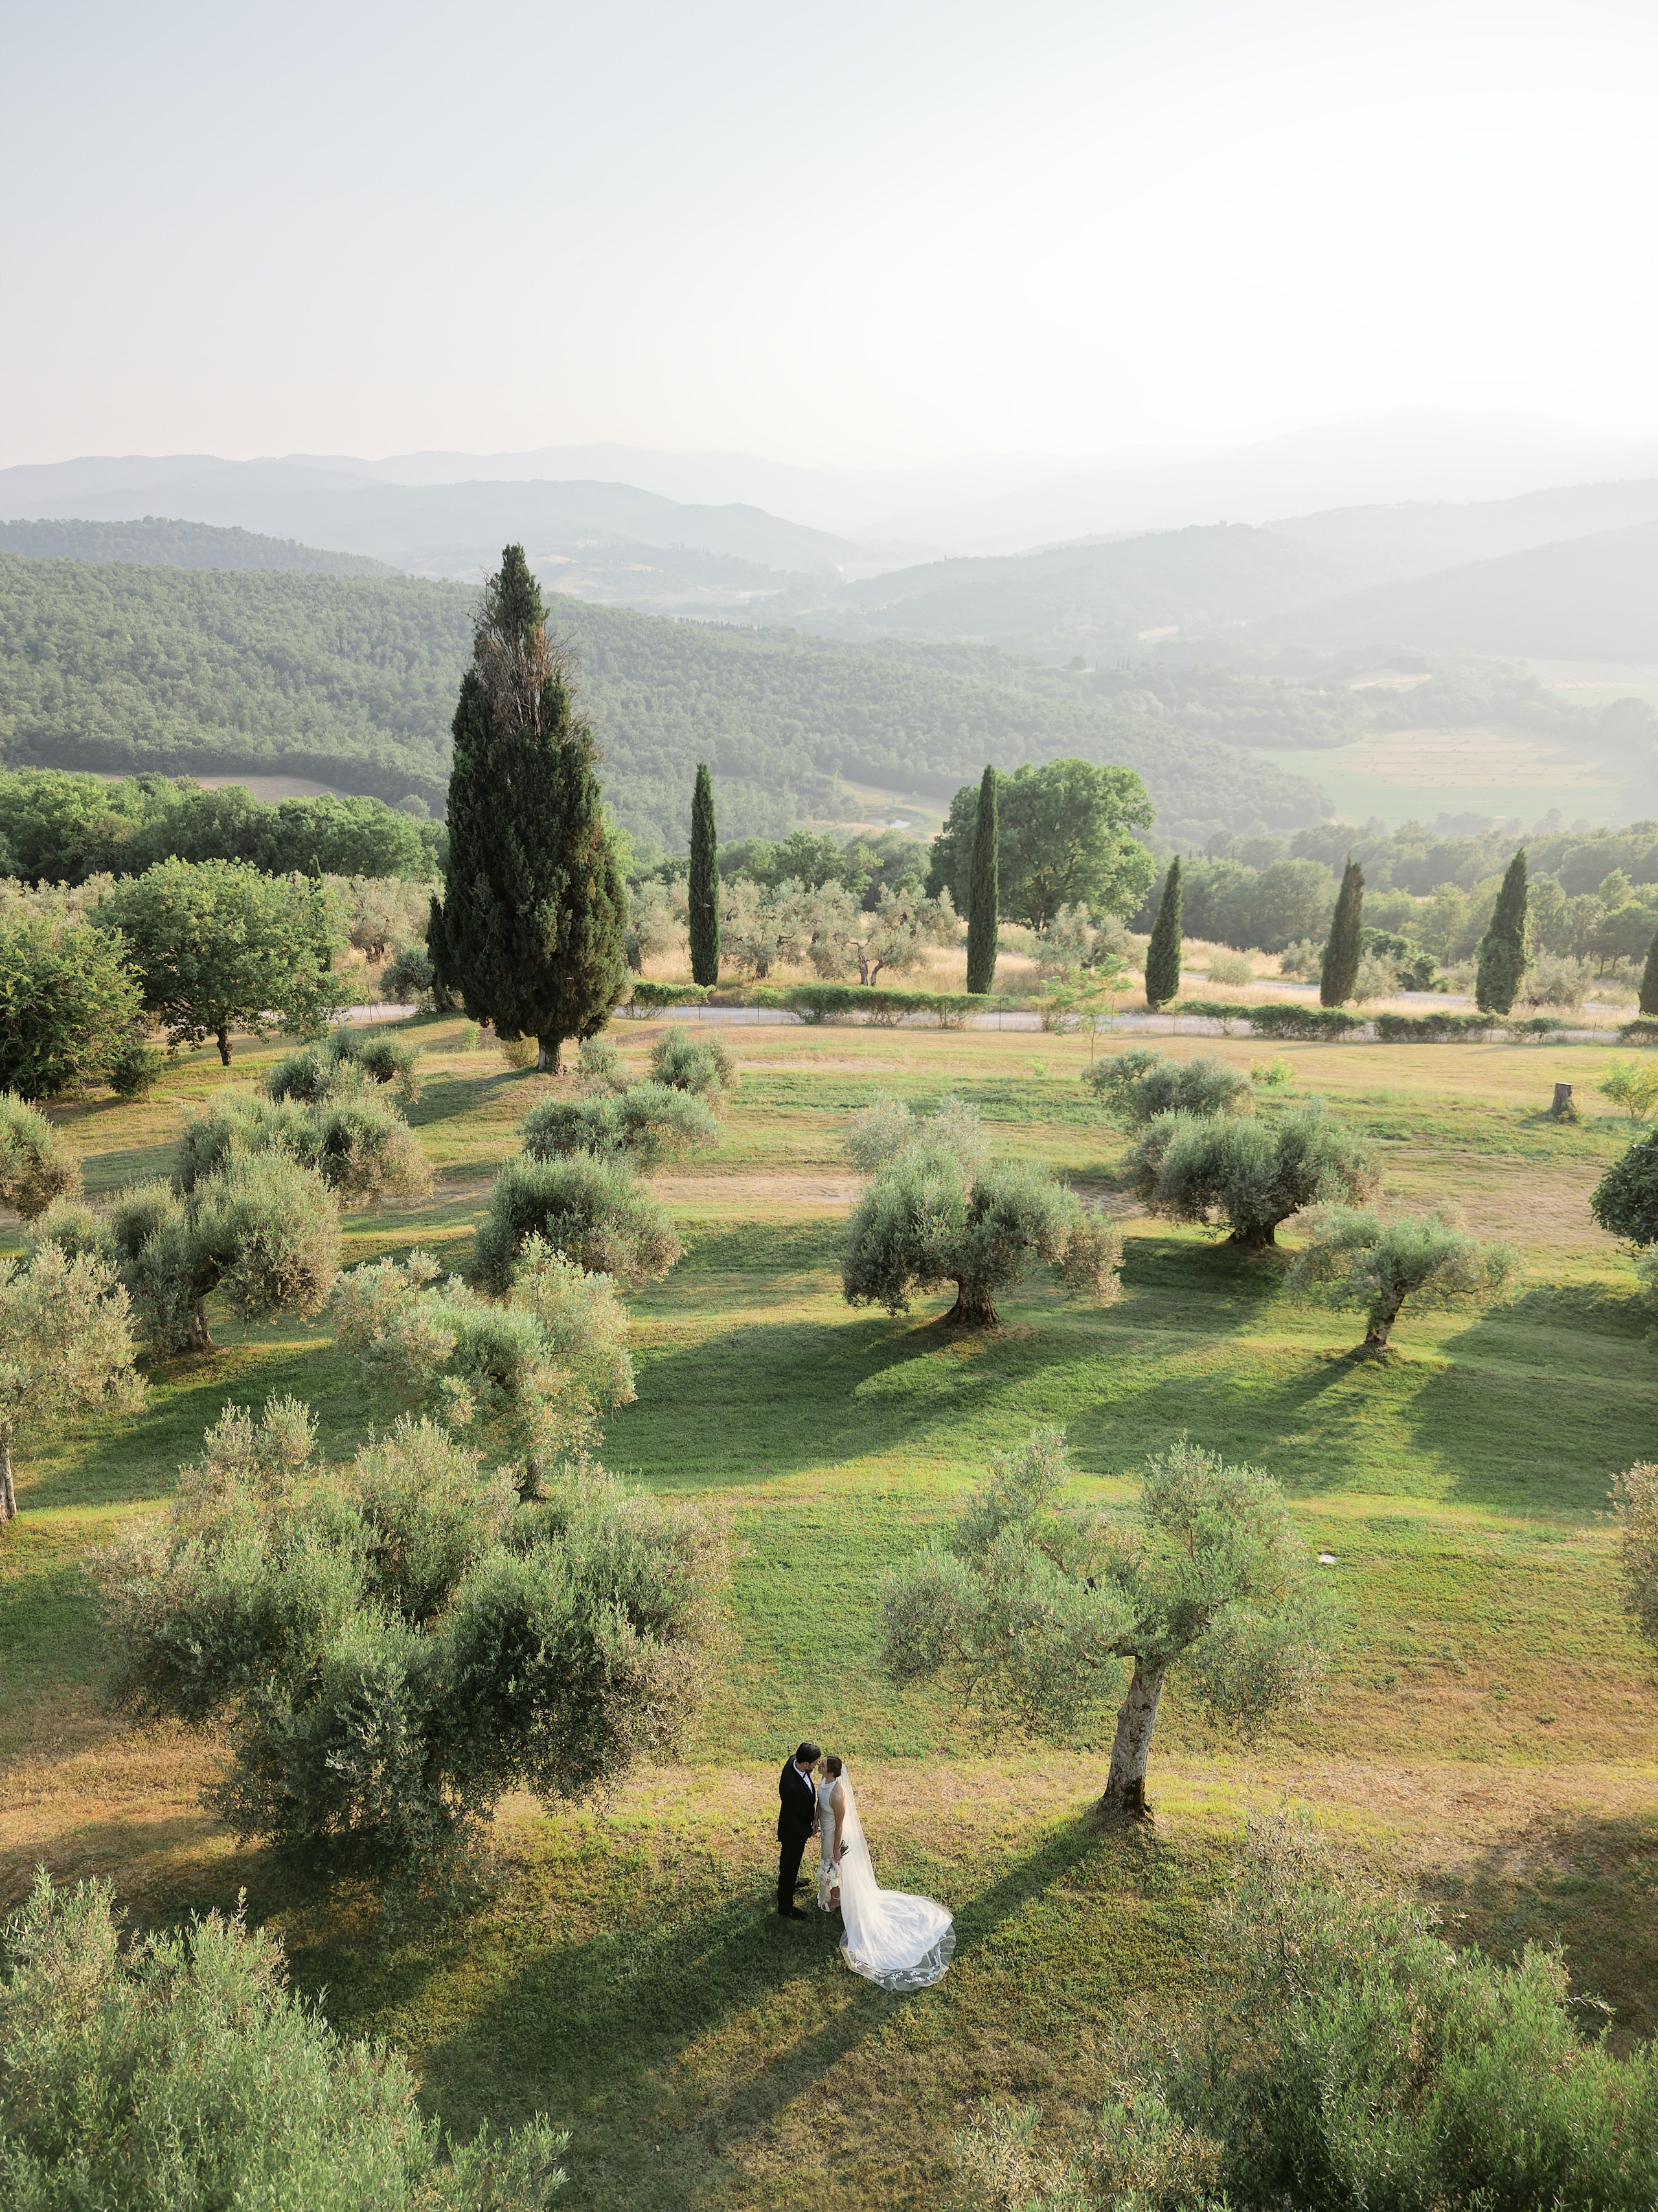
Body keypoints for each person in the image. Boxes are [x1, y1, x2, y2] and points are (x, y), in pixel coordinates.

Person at [814, 1753, 954, 1989]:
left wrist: (837, 1848)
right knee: (827, 1863)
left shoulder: (838, 1795)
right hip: (825, 1830)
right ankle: (832, 1895)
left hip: (834, 1835)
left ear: (831, 1772)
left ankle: (836, 1898)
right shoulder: (825, 1782)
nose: (820, 1765)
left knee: (834, 1865)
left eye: (823, 1765)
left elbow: (839, 1824)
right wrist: (817, 1818)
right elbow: (821, 1801)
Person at [776, 1740, 821, 1918]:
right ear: (805, 1764)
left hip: (797, 1828)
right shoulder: (792, 1788)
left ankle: (791, 1881)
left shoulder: (793, 1761)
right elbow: (791, 1821)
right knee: (789, 1867)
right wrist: (808, 1832)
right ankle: (785, 1907)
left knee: (789, 1864)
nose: (817, 1765)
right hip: (793, 1834)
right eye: (815, 1763)